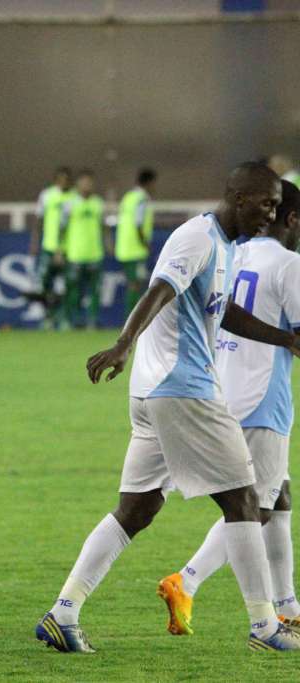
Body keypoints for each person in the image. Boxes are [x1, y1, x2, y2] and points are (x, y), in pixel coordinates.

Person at [35, 162, 300, 654]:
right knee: (245, 501)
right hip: (184, 388)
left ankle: (63, 612)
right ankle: (265, 625)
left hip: (153, 392)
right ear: (240, 199)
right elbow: (159, 289)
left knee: (136, 509)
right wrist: (123, 343)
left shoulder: (228, 246)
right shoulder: (197, 238)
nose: (271, 214)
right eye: (266, 204)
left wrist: (283, 338)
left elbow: (225, 312)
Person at [157, 179, 300, 635]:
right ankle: (187, 581)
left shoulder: (238, 252)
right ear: (291, 219)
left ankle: (288, 605)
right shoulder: (290, 264)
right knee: (254, 508)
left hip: (226, 387)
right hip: (265, 396)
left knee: (279, 497)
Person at [59, 170, 106, 329]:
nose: (87, 185)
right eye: (84, 182)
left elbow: (103, 226)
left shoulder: (98, 203)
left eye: (89, 182)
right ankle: (73, 320)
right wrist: (60, 249)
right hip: (75, 254)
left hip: (95, 253)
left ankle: (92, 320)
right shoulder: (69, 203)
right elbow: (62, 228)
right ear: (78, 184)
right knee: (74, 290)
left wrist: (108, 244)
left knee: (95, 290)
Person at [29, 167, 73, 328]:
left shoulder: (73, 197)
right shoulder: (46, 195)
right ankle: (48, 317)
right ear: (55, 180)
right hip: (48, 247)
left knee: (66, 285)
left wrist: (60, 248)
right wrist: (34, 242)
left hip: (69, 250)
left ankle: (64, 318)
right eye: (61, 179)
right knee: (44, 285)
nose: (64, 182)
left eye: (66, 179)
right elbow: (39, 220)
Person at [115, 169, 157, 318]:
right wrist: (144, 242)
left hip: (124, 247)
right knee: (135, 284)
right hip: (136, 249)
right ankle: (132, 318)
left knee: (133, 284)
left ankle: (131, 317)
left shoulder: (128, 197)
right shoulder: (142, 199)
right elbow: (138, 222)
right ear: (149, 183)